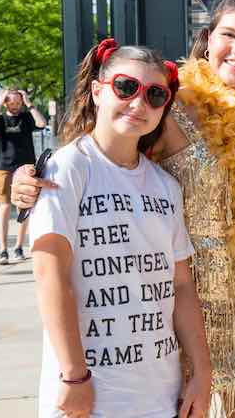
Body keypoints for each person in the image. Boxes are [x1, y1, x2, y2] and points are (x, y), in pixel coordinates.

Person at [14, 0, 235, 418]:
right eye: (229, 35)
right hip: (167, 317)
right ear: (207, 41)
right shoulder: (167, 103)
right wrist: (30, 180)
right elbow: (99, 153)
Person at [27, 42, 212, 418]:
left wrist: (202, 374)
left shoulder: (165, 186)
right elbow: (50, 275)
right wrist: (74, 377)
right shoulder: (68, 169)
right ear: (98, 90)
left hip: (159, 394)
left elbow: (181, 286)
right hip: (89, 394)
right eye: (126, 87)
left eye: (155, 95)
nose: (138, 104)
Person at [0, 88, 47, 264]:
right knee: (4, 207)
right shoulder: (1, 119)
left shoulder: (26, 117)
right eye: (11, 102)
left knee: (23, 207)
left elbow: (41, 123)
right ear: (5, 102)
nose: (15, 106)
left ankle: (19, 247)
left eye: (18, 103)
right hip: (4, 166)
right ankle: (3, 250)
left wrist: (29, 103)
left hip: (25, 166)